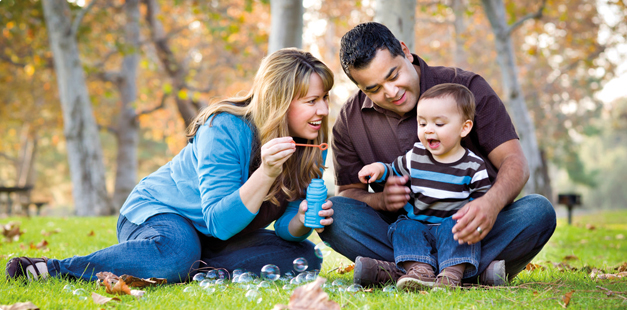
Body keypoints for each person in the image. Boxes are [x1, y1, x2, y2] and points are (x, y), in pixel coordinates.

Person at [6, 48, 335, 283]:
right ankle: (57, 269)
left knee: (304, 256)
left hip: (214, 239)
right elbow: (219, 222)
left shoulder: (310, 145)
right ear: (278, 100)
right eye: (311, 101)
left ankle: (190, 267)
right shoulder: (225, 127)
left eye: (325, 98)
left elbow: (286, 226)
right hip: (160, 214)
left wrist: (303, 220)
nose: (321, 110)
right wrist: (266, 173)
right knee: (178, 251)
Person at [319, 22, 557, 287]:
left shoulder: (466, 87)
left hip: (471, 229)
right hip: (406, 233)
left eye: (393, 75)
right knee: (333, 214)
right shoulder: (350, 121)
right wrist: (381, 201)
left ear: (405, 52)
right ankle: (467, 273)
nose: (391, 92)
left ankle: (401, 273)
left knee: (538, 211)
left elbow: (515, 162)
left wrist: (490, 204)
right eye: (373, 89)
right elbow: (349, 193)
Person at [358, 83, 491, 290]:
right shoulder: (416, 156)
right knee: (403, 226)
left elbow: (483, 203)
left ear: (464, 128)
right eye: (422, 124)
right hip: (419, 226)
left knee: (460, 228)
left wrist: (475, 221)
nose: (428, 130)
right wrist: (378, 170)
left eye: (438, 124)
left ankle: (451, 274)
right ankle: (420, 270)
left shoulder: (473, 166)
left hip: (452, 229)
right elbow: (393, 169)